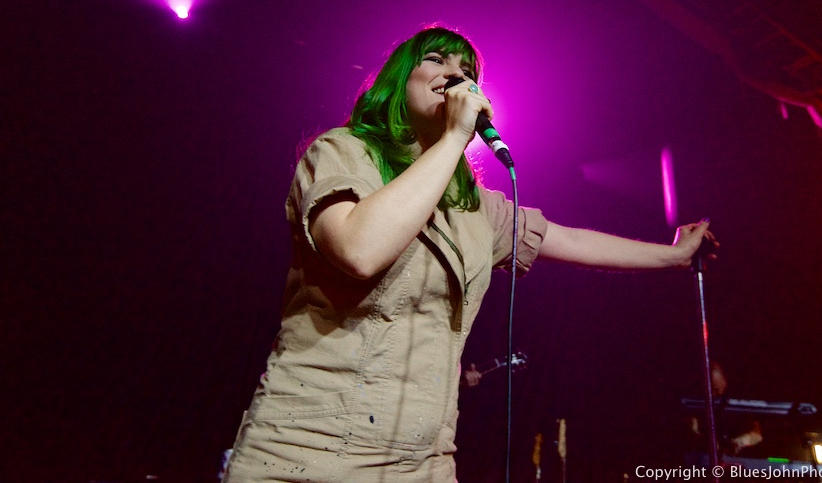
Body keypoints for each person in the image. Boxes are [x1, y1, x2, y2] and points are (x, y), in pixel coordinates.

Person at [223, 25, 716, 482]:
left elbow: (571, 241)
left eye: (467, 72)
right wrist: (456, 137)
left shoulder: (473, 207)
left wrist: (671, 256)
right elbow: (358, 250)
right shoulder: (341, 151)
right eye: (436, 60)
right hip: (310, 446)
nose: (454, 74)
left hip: (424, 461)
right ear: (399, 80)